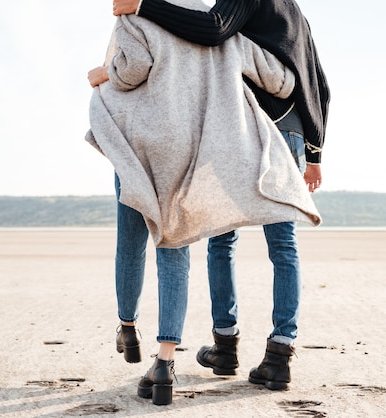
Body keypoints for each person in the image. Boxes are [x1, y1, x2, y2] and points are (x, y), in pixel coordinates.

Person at [86, 0, 321, 405]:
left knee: (200, 239)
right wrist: (314, 147)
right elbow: (296, 78)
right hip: (257, 135)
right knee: (272, 247)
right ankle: (270, 353)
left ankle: (206, 340)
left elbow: (151, 60)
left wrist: (108, 65)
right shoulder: (268, 22)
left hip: (192, 138)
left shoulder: (179, 19)